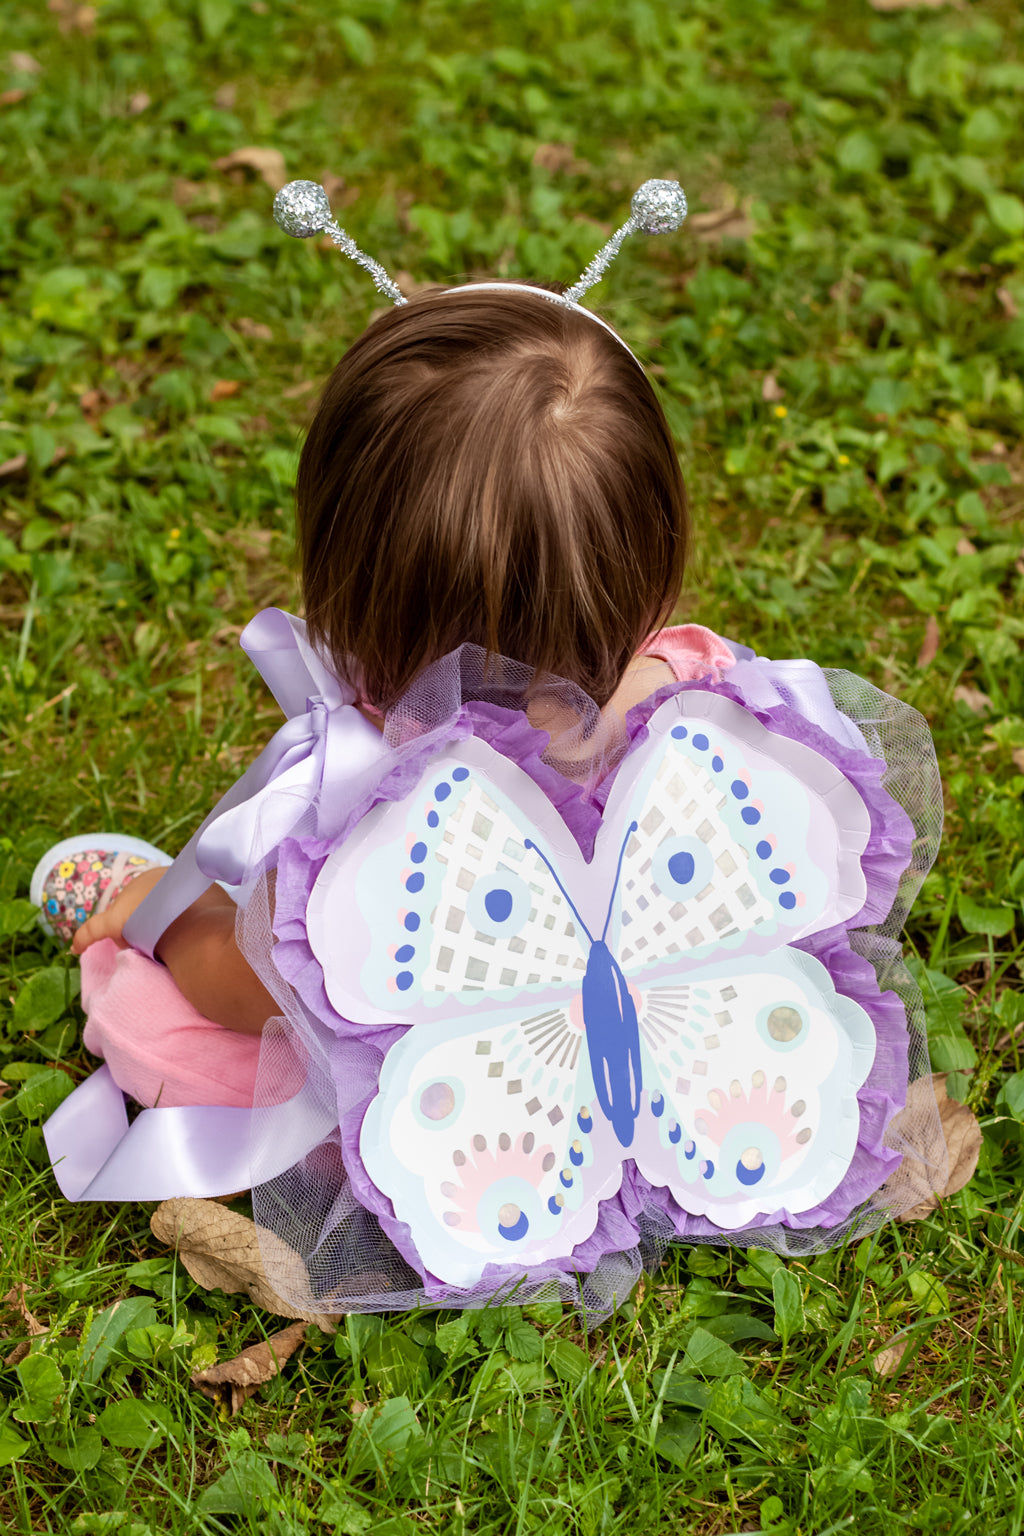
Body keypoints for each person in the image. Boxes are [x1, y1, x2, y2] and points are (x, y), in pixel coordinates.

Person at [33, 183, 943, 1313]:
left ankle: (123, 923)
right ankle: (679, 1151)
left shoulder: (377, 800)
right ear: (657, 569)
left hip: (486, 1104)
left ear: (345, 598)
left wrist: (158, 927)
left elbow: (256, 985)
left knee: (191, 1015)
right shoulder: (713, 711)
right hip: (705, 1059)